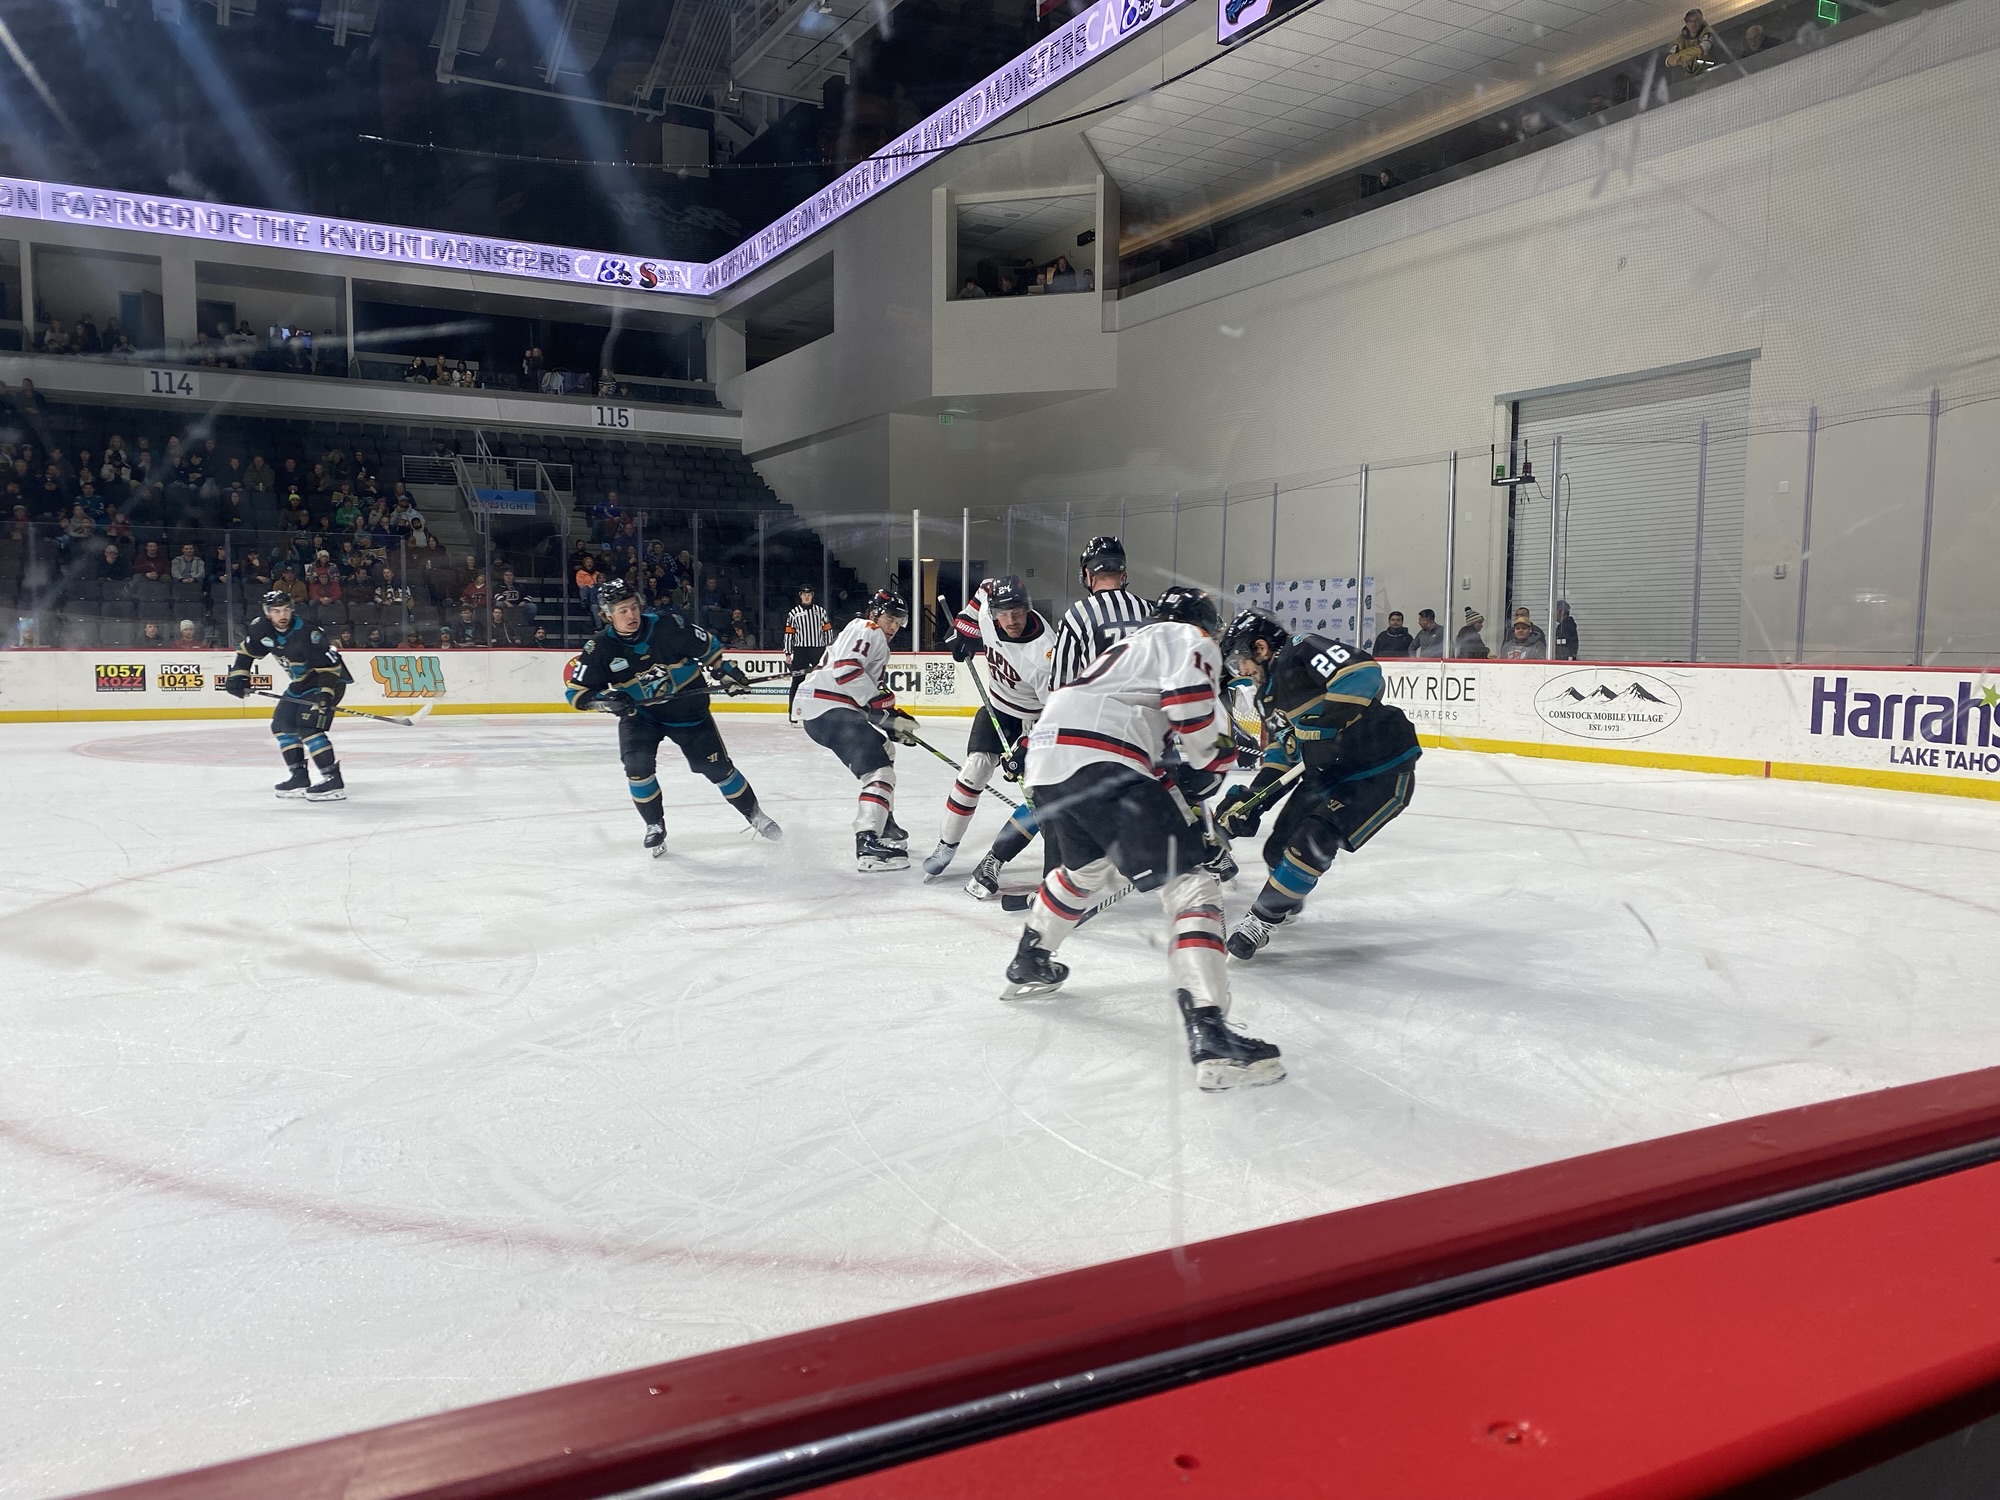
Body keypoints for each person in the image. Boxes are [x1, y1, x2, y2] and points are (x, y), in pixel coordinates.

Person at [1001, 586, 1281, 1092]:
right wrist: (1216, 760)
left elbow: (1151, 747)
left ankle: (1031, 956)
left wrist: (1185, 797)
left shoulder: (1127, 651)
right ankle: (1211, 1030)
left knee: (1084, 871)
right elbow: (1190, 712)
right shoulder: (1187, 637)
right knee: (1191, 885)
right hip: (1104, 760)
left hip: (1048, 762)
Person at [1215, 610, 1420, 961]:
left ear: (1261, 648)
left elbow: (1362, 673)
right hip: (1330, 773)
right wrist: (1252, 800)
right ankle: (1287, 895)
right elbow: (1284, 754)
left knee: (1313, 837)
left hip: (1380, 769)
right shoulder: (1266, 698)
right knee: (1277, 850)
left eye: (1240, 660)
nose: (1241, 670)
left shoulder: (1301, 649)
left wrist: (1323, 727)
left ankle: (1263, 918)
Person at [969, 536, 1155, 899]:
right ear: (1123, 571)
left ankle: (1042, 883)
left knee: (1050, 797)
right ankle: (1205, 858)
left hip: (1093, 737)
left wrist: (1030, 743)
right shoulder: (1151, 613)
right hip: (1145, 740)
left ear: (1087, 574)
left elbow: (1061, 694)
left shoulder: (1079, 615)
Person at [561, 578, 778, 857]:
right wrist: (606, 700)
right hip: (641, 717)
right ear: (607, 615)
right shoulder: (599, 648)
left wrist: (724, 672)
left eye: (633, 607)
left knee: (717, 770)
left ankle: (756, 816)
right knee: (637, 767)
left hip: (688, 713)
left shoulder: (668, 625)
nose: (631, 615)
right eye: (622, 611)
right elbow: (577, 694)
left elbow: (708, 649)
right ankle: (654, 825)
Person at [923, 576, 1053, 879]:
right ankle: (946, 846)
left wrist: (1028, 745)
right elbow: (985, 587)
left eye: (1017, 612)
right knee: (975, 768)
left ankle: (996, 858)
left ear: (1028, 609)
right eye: (1004, 613)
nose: (1011, 620)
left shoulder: (1045, 653)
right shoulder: (987, 609)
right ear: (993, 612)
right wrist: (964, 628)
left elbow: (1057, 713)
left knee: (1037, 794)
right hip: (997, 706)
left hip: (1035, 719)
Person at [797, 589, 919, 872]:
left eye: (898, 621)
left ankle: (883, 822)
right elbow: (847, 671)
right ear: (875, 614)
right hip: (829, 709)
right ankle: (868, 843)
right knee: (879, 772)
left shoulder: (870, 637)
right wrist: (881, 708)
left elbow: (862, 689)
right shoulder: (868, 629)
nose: (894, 626)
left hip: (826, 710)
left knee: (885, 751)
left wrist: (891, 719)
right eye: (890, 618)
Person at [223, 589, 354, 801]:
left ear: (292, 609)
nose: (282, 615)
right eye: (276, 611)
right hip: (301, 684)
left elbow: (329, 669)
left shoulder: (308, 633)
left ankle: (332, 780)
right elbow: (246, 653)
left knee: (308, 727)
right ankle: (299, 777)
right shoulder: (261, 628)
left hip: (328, 681)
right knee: (282, 725)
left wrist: (325, 695)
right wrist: (238, 676)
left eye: (285, 610)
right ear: (267, 612)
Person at [783, 584, 831, 720]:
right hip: (801, 650)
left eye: (809, 594)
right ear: (800, 596)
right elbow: (789, 634)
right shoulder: (794, 613)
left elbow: (827, 630)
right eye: (804, 594)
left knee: (823, 681)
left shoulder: (820, 611)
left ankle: (824, 712)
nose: (807, 597)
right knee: (797, 681)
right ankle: (792, 713)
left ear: (812, 595)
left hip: (818, 649)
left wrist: (828, 649)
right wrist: (788, 653)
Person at [1666, 8, 1715, 74]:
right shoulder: (1680, 39)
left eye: (1697, 21)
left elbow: (1703, 48)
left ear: (1701, 22)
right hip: (1689, 75)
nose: (1694, 24)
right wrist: (1675, 58)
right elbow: (1669, 59)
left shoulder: (1707, 34)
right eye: (1691, 21)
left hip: (1709, 70)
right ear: (1686, 23)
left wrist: (1681, 56)